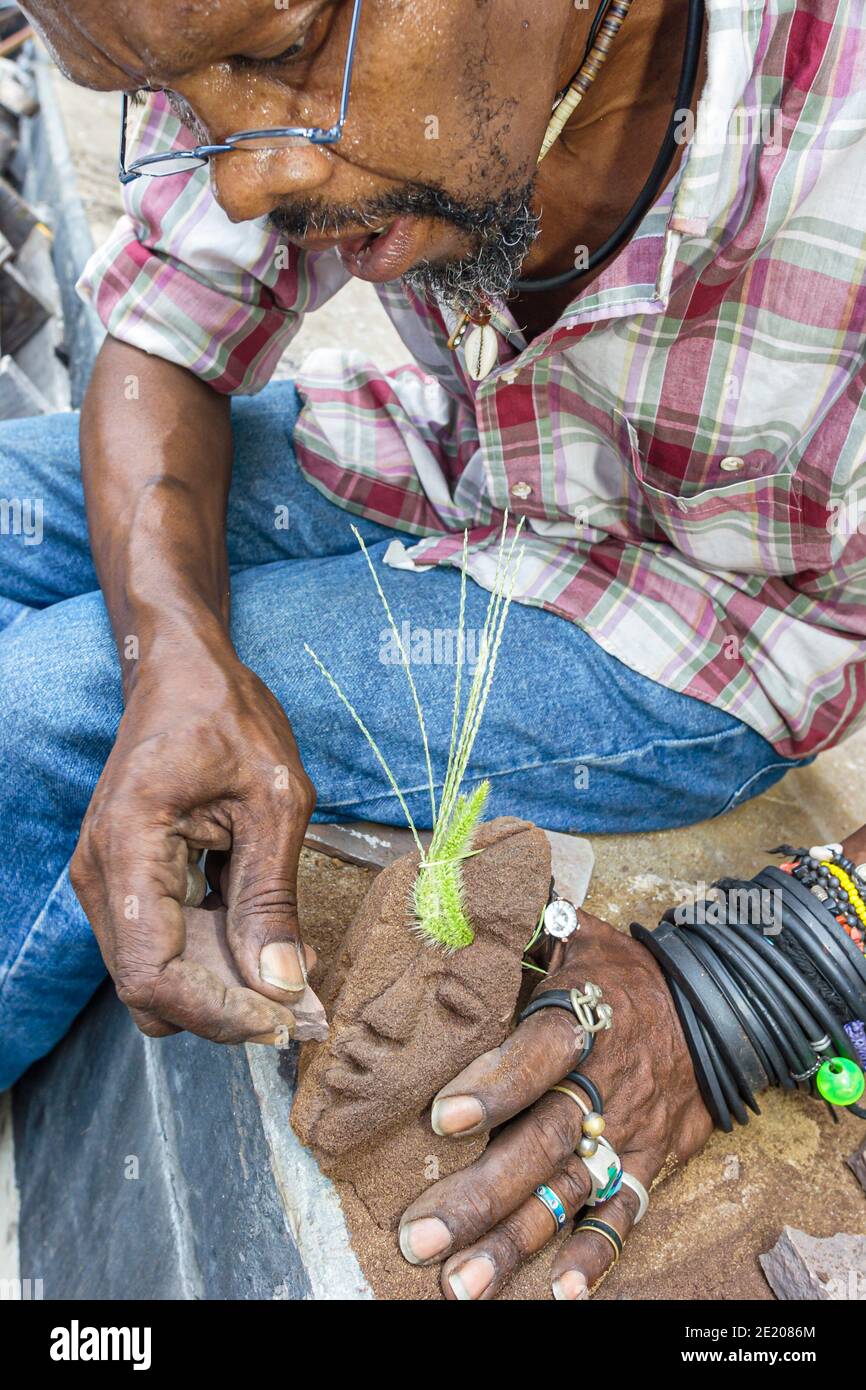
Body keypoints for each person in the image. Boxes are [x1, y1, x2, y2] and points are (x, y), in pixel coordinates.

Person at [3, 0, 865, 1298]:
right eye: (190, 91)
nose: (245, 171)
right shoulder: (293, 95)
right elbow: (167, 330)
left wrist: (760, 970)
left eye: (286, 53)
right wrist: (175, 651)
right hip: (450, 461)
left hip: (701, 625)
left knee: (58, 700)